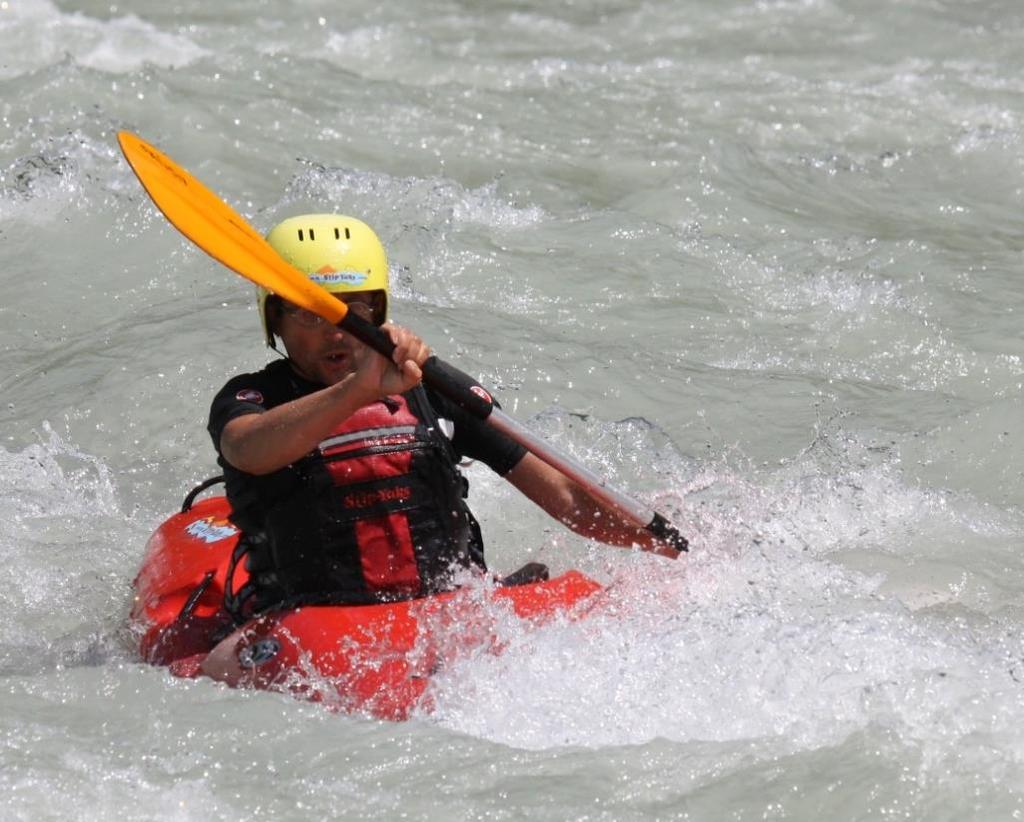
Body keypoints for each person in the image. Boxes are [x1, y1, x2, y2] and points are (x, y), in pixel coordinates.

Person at [208, 214, 682, 618]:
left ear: (378, 311)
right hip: (310, 624)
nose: (337, 334)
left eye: (355, 311)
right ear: (275, 320)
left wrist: (671, 546)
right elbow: (246, 449)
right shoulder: (255, 398)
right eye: (312, 315)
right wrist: (359, 390)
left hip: (446, 615)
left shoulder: (432, 389)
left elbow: (568, 499)